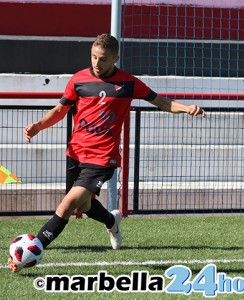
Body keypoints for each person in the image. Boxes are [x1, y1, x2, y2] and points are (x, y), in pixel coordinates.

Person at [12, 33, 205, 270]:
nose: (96, 63)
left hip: (103, 158)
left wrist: (187, 108)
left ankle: (31, 252)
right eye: (93, 57)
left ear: (115, 58)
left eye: (103, 59)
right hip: (75, 153)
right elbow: (60, 110)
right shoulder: (78, 80)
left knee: (66, 206)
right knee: (82, 207)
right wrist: (38, 127)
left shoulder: (129, 83)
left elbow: (162, 102)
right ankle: (111, 220)